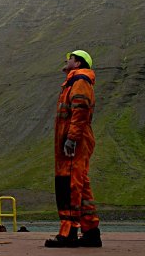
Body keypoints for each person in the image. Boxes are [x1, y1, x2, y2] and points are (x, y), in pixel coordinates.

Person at [45, 50, 101, 248]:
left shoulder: (80, 81)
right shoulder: (73, 82)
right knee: (81, 184)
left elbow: (81, 110)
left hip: (75, 141)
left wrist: (72, 138)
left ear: (77, 63)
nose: (66, 61)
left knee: (69, 184)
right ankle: (91, 232)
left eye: (70, 58)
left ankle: (68, 233)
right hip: (73, 140)